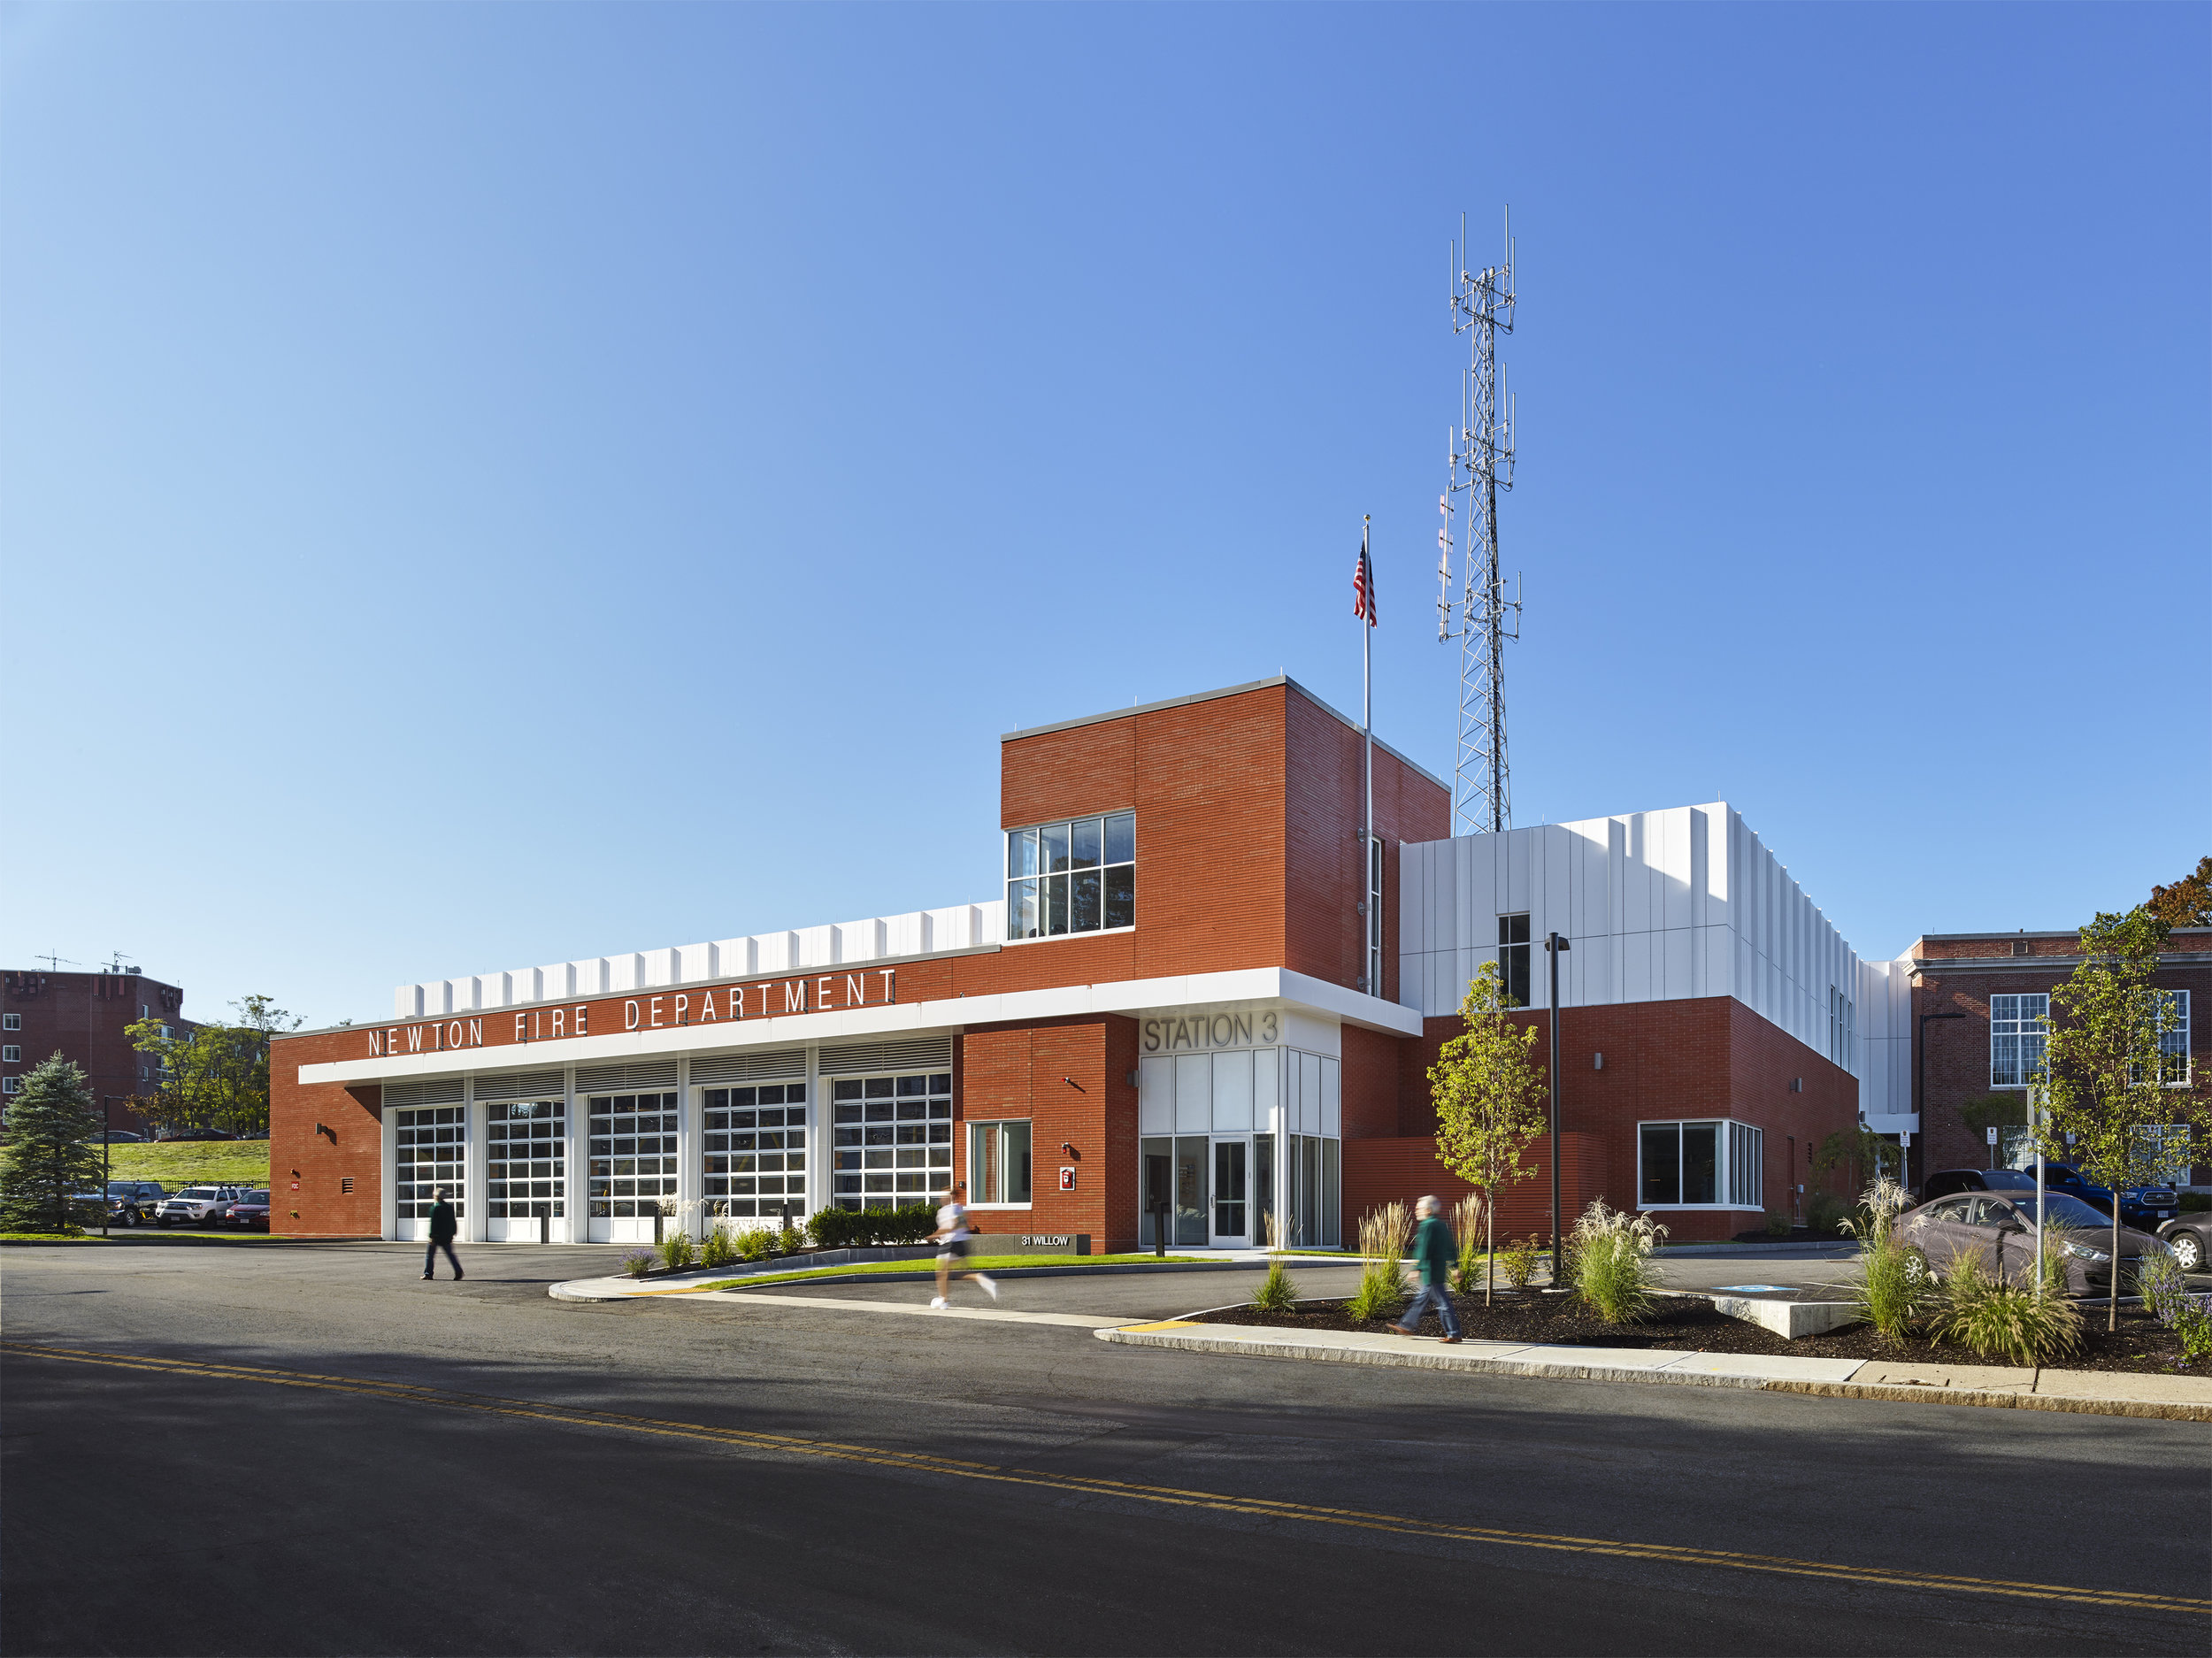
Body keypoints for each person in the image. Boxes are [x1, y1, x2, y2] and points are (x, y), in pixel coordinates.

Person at [1390, 1194, 1459, 1342]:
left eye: (1419, 1208)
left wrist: (1418, 1268)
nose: (1416, 1211)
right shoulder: (1442, 1225)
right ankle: (1406, 1326)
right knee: (1421, 1300)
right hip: (1438, 1269)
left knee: (1442, 1303)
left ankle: (1454, 1333)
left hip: (1430, 1271)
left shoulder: (1427, 1225)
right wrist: (1455, 1267)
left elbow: (1424, 1248)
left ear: (1428, 1210)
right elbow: (1450, 1247)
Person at [929, 1185, 996, 1308]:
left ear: (951, 1197)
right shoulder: (960, 1208)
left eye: (943, 1195)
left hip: (950, 1243)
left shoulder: (947, 1210)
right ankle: (980, 1278)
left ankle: (944, 1300)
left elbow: (952, 1226)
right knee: (957, 1274)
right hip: (962, 1243)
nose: (941, 1198)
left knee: (941, 1273)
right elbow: (963, 1224)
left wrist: (933, 1236)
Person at [423, 1186, 464, 1281]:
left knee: (429, 1255)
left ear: (436, 1196)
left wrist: (431, 1236)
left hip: (436, 1236)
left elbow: (434, 1224)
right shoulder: (449, 1208)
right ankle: (458, 1270)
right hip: (447, 1236)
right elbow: (453, 1221)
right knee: (450, 1255)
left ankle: (428, 1274)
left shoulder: (435, 1208)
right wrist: (453, 1233)